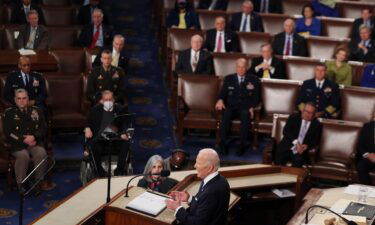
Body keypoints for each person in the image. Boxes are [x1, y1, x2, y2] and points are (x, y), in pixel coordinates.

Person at [3, 89, 52, 191]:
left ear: (28, 99)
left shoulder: (37, 111)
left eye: (24, 98)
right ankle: (21, 183)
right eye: (19, 98)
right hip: (17, 144)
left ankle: (38, 181)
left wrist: (34, 137)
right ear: (15, 100)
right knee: (23, 155)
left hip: (34, 142)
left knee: (41, 152)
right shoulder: (9, 113)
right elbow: (9, 133)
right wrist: (23, 139)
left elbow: (43, 128)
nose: (21, 101)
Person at [165, 148, 230, 225]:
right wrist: (188, 198)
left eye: (198, 163)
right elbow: (205, 207)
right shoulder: (220, 179)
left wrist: (177, 208)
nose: (195, 166)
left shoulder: (210, 191)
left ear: (210, 168)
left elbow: (197, 223)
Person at [216, 58, 260, 156]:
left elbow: (256, 98)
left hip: (245, 107)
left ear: (247, 67)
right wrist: (220, 100)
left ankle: (241, 144)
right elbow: (222, 94)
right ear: (236, 68)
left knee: (245, 114)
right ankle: (223, 143)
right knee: (226, 113)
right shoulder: (228, 78)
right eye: (239, 67)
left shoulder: (254, 79)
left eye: (243, 67)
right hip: (231, 106)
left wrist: (252, 107)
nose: (241, 69)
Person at [84, 90, 130, 176]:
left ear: (113, 100)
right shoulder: (95, 110)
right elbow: (88, 123)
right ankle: (100, 172)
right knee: (93, 144)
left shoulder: (120, 109)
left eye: (110, 99)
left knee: (126, 143)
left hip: (116, 140)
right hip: (101, 140)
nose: (108, 102)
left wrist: (124, 132)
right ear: (101, 101)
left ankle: (119, 171)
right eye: (106, 100)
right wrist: (87, 128)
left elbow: (125, 124)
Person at [274, 103, 322, 168]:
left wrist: (307, 146)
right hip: (287, 146)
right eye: (306, 111)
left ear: (314, 115)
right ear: (302, 110)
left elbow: (315, 140)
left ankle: (293, 177)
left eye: (310, 113)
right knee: (279, 159)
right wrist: (296, 143)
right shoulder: (293, 118)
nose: (307, 114)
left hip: (301, 151)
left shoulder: (317, 125)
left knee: (298, 161)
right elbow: (286, 132)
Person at [356, 114, 375, 185]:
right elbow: (360, 145)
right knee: (361, 166)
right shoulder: (367, 126)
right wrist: (368, 155)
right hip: (369, 157)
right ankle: (368, 189)